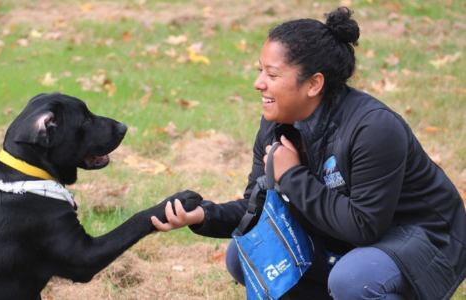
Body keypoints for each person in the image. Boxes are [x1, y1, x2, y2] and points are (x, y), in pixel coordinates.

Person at [151, 6, 466, 300]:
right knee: (245, 254)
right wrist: (204, 215)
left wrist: (291, 174)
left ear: (314, 84)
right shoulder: (276, 124)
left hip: (423, 240)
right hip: (348, 242)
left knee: (353, 280)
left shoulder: (373, 128)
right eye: (260, 71)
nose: (258, 83)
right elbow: (257, 206)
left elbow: (365, 226)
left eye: (272, 75)